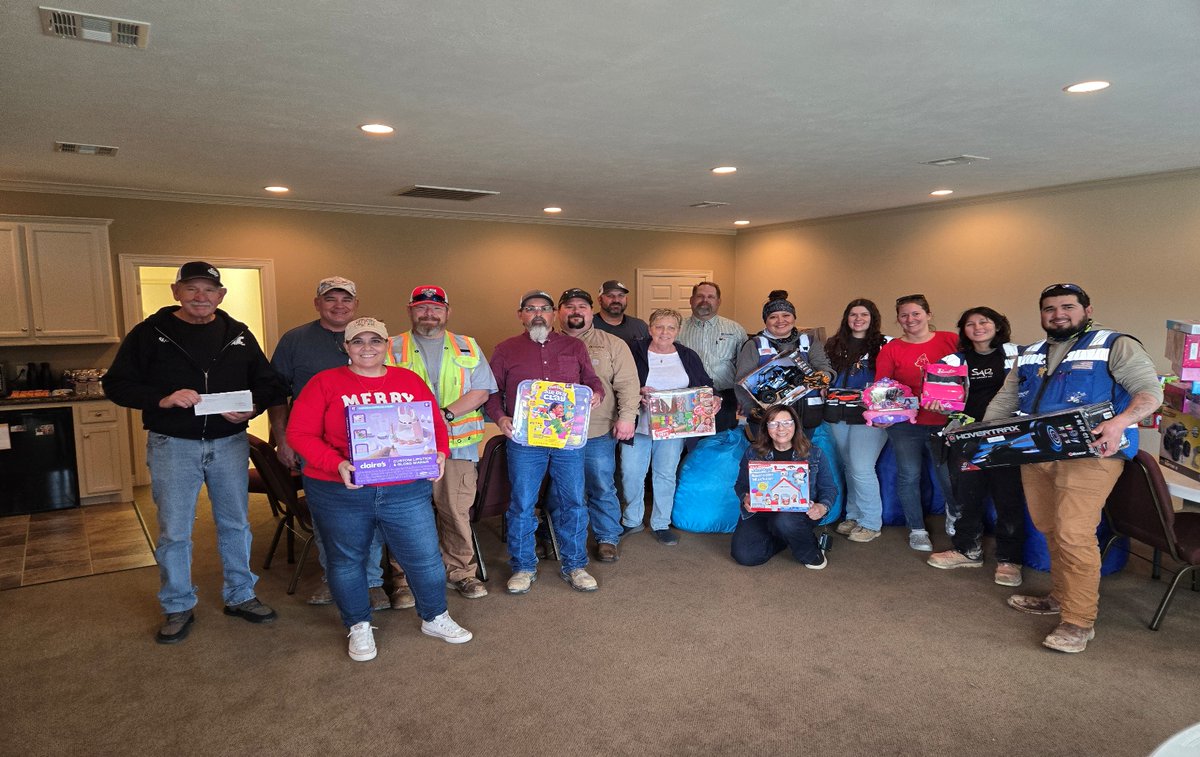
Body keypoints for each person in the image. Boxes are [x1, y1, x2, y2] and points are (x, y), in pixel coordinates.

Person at [103, 261, 287, 644]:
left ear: (220, 295)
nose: (200, 297)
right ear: (176, 292)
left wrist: (252, 407)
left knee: (236, 524)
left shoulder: (238, 334)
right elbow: (116, 384)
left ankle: (241, 594)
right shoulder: (149, 333)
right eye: (191, 289)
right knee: (175, 530)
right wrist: (162, 398)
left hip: (229, 443)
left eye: (208, 290)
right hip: (173, 445)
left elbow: (269, 383)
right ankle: (177, 604)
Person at [983, 283, 1161, 653]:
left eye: (1067, 306)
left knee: (1074, 534)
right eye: (1049, 308)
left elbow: (1149, 393)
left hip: (1092, 455)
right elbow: (1006, 399)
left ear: (1087, 310)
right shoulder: (1030, 353)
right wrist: (982, 436)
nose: (1058, 314)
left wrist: (1119, 423)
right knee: (1050, 527)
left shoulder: (1115, 344)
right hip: (1036, 453)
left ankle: (1079, 621)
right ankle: (1061, 596)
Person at [287, 317, 472, 661]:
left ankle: (435, 616)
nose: (367, 347)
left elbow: (433, 424)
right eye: (358, 341)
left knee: (424, 558)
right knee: (346, 561)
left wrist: (440, 453)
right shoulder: (324, 382)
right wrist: (336, 463)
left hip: (404, 489)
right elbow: (299, 433)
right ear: (346, 346)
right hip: (340, 490)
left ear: (387, 345)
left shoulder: (409, 380)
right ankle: (358, 624)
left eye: (375, 340)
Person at [268, 276, 389, 610]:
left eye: (346, 299)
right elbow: (276, 392)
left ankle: (372, 581)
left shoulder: (372, 339)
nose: (339, 305)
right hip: (314, 444)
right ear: (317, 303)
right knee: (327, 516)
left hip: (369, 444)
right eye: (331, 299)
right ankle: (333, 577)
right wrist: (282, 437)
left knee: (371, 513)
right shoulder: (295, 340)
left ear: (356, 304)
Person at [484, 290, 606, 595]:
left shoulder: (574, 346)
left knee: (573, 501)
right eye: (530, 308)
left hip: (567, 440)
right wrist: (500, 418)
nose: (538, 314)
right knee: (522, 503)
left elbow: (592, 381)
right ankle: (523, 567)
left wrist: (596, 394)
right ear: (521, 315)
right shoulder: (505, 349)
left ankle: (575, 565)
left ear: (554, 314)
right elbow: (491, 393)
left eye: (544, 308)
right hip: (525, 442)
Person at [384, 285, 498, 601]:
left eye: (436, 308)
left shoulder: (468, 346)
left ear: (447, 312)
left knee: (455, 513)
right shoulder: (389, 346)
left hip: (458, 446)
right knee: (404, 516)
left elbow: (481, 391)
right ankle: (403, 579)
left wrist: (442, 415)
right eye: (421, 307)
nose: (429, 314)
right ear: (410, 311)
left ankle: (461, 573)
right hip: (404, 448)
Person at [926, 307, 1026, 586]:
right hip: (966, 435)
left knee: (1008, 498)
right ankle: (967, 550)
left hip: (1007, 437)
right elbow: (943, 398)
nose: (978, 327)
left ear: (998, 325)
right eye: (970, 324)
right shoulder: (953, 360)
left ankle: (1009, 559)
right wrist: (939, 405)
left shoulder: (1018, 355)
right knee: (966, 496)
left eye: (984, 322)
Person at [555, 288, 640, 561]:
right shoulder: (547, 344)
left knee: (601, 485)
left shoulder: (612, 344)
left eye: (582, 306)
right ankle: (561, 537)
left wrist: (627, 418)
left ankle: (607, 537)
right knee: (561, 489)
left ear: (592, 312)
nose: (576, 311)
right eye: (569, 306)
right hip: (555, 433)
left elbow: (628, 384)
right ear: (559, 312)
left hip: (598, 429)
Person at [621, 308, 716, 545]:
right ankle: (632, 519)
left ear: (678, 330)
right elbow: (618, 381)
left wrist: (715, 399)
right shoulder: (633, 351)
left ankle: (661, 523)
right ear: (650, 328)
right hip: (638, 425)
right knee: (631, 473)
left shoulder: (688, 355)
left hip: (673, 428)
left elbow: (705, 385)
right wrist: (637, 392)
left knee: (665, 474)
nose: (665, 332)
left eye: (671, 327)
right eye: (659, 327)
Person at [873, 294, 959, 552]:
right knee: (909, 475)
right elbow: (882, 387)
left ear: (928, 315)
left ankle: (955, 513)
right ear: (898, 319)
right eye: (904, 315)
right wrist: (880, 413)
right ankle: (917, 529)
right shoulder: (891, 349)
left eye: (916, 313)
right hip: (905, 425)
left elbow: (965, 376)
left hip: (945, 422)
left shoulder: (950, 340)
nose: (910, 319)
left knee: (948, 475)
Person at [732, 404, 834, 567]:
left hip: (797, 513)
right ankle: (784, 538)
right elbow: (741, 484)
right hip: (761, 511)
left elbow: (829, 488)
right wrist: (746, 497)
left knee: (784, 521)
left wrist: (823, 507)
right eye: (774, 423)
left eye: (787, 422)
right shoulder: (753, 452)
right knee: (745, 556)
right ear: (766, 427)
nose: (781, 428)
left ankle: (811, 553)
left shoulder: (815, 453)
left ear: (796, 425)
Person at [824, 299, 889, 543]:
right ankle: (853, 515)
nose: (858, 319)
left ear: (873, 318)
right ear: (846, 317)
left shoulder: (884, 344)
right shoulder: (833, 344)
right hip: (836, 412)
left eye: (864, 314)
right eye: (853, 314)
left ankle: (871, 522)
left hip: (869, 415)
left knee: (862, 467)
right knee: (849, 465)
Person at [734, 290, 833, 426]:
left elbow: (824, 366)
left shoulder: (809, 341)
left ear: (794, 317)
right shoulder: (754, 345)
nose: (780, 321)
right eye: (773, 317)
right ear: (766, 321)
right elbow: (741, 383)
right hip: (769, 422)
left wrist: (825, 376)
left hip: (807, 415)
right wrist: (751, 409)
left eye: (786, 315)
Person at [678, 281, 747, 432]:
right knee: (690, 441)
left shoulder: (735, 330)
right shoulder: (677, 328)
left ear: (718, 301)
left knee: (722, 440)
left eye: (710, 297)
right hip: (687, 398)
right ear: (691, 300)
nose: (705, 300)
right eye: (700, 296)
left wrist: (744, 398)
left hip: (726, 397)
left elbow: (745, 367)